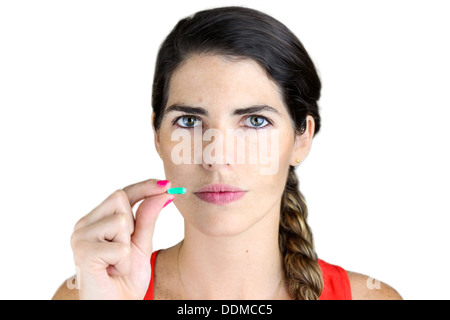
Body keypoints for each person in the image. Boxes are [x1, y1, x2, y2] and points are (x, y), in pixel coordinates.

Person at [52, 6, 402, 300]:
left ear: (301, 139)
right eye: (189, 121)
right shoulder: (86, 293)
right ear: (157, 134)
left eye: (255, 121)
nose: (217, 157)